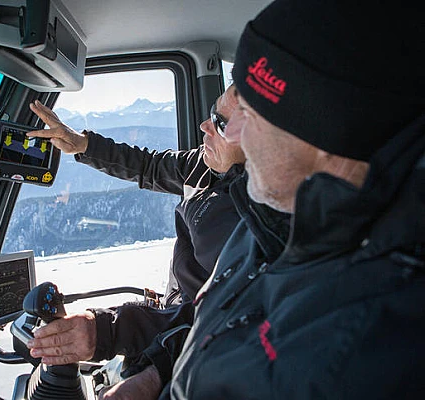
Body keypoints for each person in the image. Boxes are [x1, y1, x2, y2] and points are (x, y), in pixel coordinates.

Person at [164, 0, 425, 398]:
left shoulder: (366, 347)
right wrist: (155, 375)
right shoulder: (269, 213)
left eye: (250, 113)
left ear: (326, 138)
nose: (232, 135)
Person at [28, 84, 244, 306]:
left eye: (220, 124)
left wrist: (105, 322)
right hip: (174, 307)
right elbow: (149, 166)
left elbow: (210, 311)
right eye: (212, 112)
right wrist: (84, 145)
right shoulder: (204, 164)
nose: (204, 126)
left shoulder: (249, 223)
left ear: (257, 143)